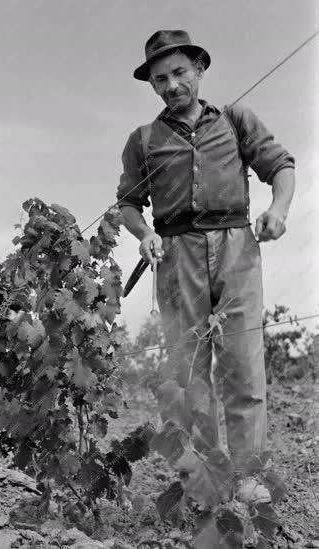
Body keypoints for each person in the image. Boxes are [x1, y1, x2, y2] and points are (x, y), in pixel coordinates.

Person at [117, 31, 295, 488]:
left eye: (179, 73)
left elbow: (280, 166)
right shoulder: (142, 140)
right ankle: (202, 481)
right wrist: (144, 234)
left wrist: (278, 208)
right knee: (187, 372)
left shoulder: (236, 120)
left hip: (237, 247)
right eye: (161, 79)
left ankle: (249, 478)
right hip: (177, 257)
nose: (172, 85)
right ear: (152, 86)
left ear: (199, 69)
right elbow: (129, 204)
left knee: (244, 366)